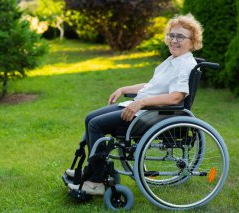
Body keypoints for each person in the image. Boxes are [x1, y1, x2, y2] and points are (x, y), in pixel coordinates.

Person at [66, 13, 203, 195]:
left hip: (152, 115)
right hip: (143, 108)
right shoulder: (173, 60)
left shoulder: (185, 65)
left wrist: (140, 103)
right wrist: (124, 89)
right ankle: (97, 170)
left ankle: (96, 181)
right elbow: (152, 86)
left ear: (192, 41)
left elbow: (175, 97)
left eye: (180, 36)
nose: (174, 40)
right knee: (91, 117)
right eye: (172, 35)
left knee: (95, 124)